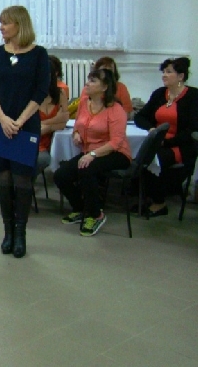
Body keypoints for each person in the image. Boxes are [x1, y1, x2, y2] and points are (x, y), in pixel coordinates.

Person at [0, 5, 49, 258]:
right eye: (0, 23)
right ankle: (8, 232)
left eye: (5, 23)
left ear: (19, 25)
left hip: (26, 123)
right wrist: (2, 118)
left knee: (22, 177)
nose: (1, 27)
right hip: (0, 123)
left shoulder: (39, 54)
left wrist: (19, 121)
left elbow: (40, 91)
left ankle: (21, 233)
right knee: (4, 177)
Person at [54, 69, 131, 236]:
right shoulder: (84, 103)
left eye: (93, 81)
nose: (87, 83)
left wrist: (93, 155)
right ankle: (81, 208)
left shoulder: (115, 109)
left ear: (104, 87)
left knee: (86, 169)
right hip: (90, 151)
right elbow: (78, 124)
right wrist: (76, 133)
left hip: (115, 153)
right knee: (61, 175)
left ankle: (96, 214)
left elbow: (116, 142)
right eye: (89, 79)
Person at [133, 57, 198, 217]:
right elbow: (140, 116)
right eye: (163, 71)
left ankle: (159, 203)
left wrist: (165, 142)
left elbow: (191, 130)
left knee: (154, 157)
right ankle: (147, 197)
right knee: (140, 155)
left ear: (180, 76)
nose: (164, 75)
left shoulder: (193, 96)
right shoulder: (160, 93)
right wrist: (152, 129)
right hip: (158, 141)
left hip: (180, 145)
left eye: (168, 72)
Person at [37, 63, 70, 175]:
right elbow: (31, 127)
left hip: (52, 140)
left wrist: (47, 127)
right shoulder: (29, 95)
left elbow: (64, 122)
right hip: (33, 140)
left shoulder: (60, 93)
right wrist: (56, 119)